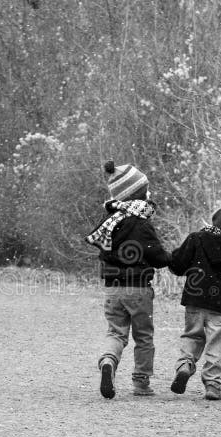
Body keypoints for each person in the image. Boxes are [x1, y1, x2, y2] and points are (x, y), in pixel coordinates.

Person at [84, 160, 171, 399]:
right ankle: (141, 383)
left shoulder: (109, 222)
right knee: (143, 337)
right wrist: (172, 258)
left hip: (113, 290)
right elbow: (157, 256)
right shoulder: (141, 224)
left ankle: (108, 361)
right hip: (139, 290)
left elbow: (105, 253)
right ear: (141, 194)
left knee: (115, 333)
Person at [167, 197, 221, 400]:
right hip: (220, 306)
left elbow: (179, 263)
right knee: (216, 343)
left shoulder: (196, 239)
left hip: (195, 299)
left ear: (219, 217)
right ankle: (213, 384)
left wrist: (169, 260)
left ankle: (185, 365)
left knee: (192, 336)